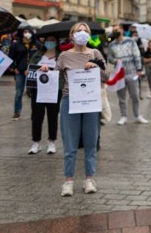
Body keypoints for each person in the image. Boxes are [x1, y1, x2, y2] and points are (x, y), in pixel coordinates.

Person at [46, 22, 109, 196]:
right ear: (72, 35)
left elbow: (106, 76)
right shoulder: (64, 55)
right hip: (69, 101)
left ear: (89, 35)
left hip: (90, 101)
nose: (82, 33)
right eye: (78, 31)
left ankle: (89, 179)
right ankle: (68, 181)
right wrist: (44, 70)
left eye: (85, 31)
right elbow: (54, 75)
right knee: (70, 144)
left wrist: (96, 66)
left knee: (90, 142)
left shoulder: (95, 53)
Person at [107, 23, 147, 125]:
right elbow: (109, 58)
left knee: (135, 95)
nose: (115, 32)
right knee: (121, 97)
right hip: (120, 73)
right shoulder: (111, 45)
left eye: (116, 30)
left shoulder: (130, 41)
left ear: (121, 30)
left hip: (132, 71)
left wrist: (139, 69)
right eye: (113, 30)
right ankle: (123, 116)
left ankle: (137, 115)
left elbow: (137, 55)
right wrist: (115, 60)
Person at [27, 36, 61, 155]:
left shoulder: (60, 56)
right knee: (36, 116)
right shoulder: (37, 55)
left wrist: (51, 70)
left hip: (54, 90)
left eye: (52, 40)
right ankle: (36, 142)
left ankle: (51, 141)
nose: (50, 42)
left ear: (56, 42)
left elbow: (63, 71)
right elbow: (30, 69)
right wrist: (29, 71)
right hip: (38, 90)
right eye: (48, 40)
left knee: (52, 116)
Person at [8, 27, 40, 120]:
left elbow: (41, 57)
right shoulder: (16, 45)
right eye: (25, 32)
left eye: (29, 31)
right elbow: (10, 58)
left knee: (34, 93)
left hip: (33, 72)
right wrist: (14, 68)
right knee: (19, 92)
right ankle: (17, 112)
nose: (27, 33)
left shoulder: (37, 44)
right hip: (20, 72)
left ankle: (35, 113)